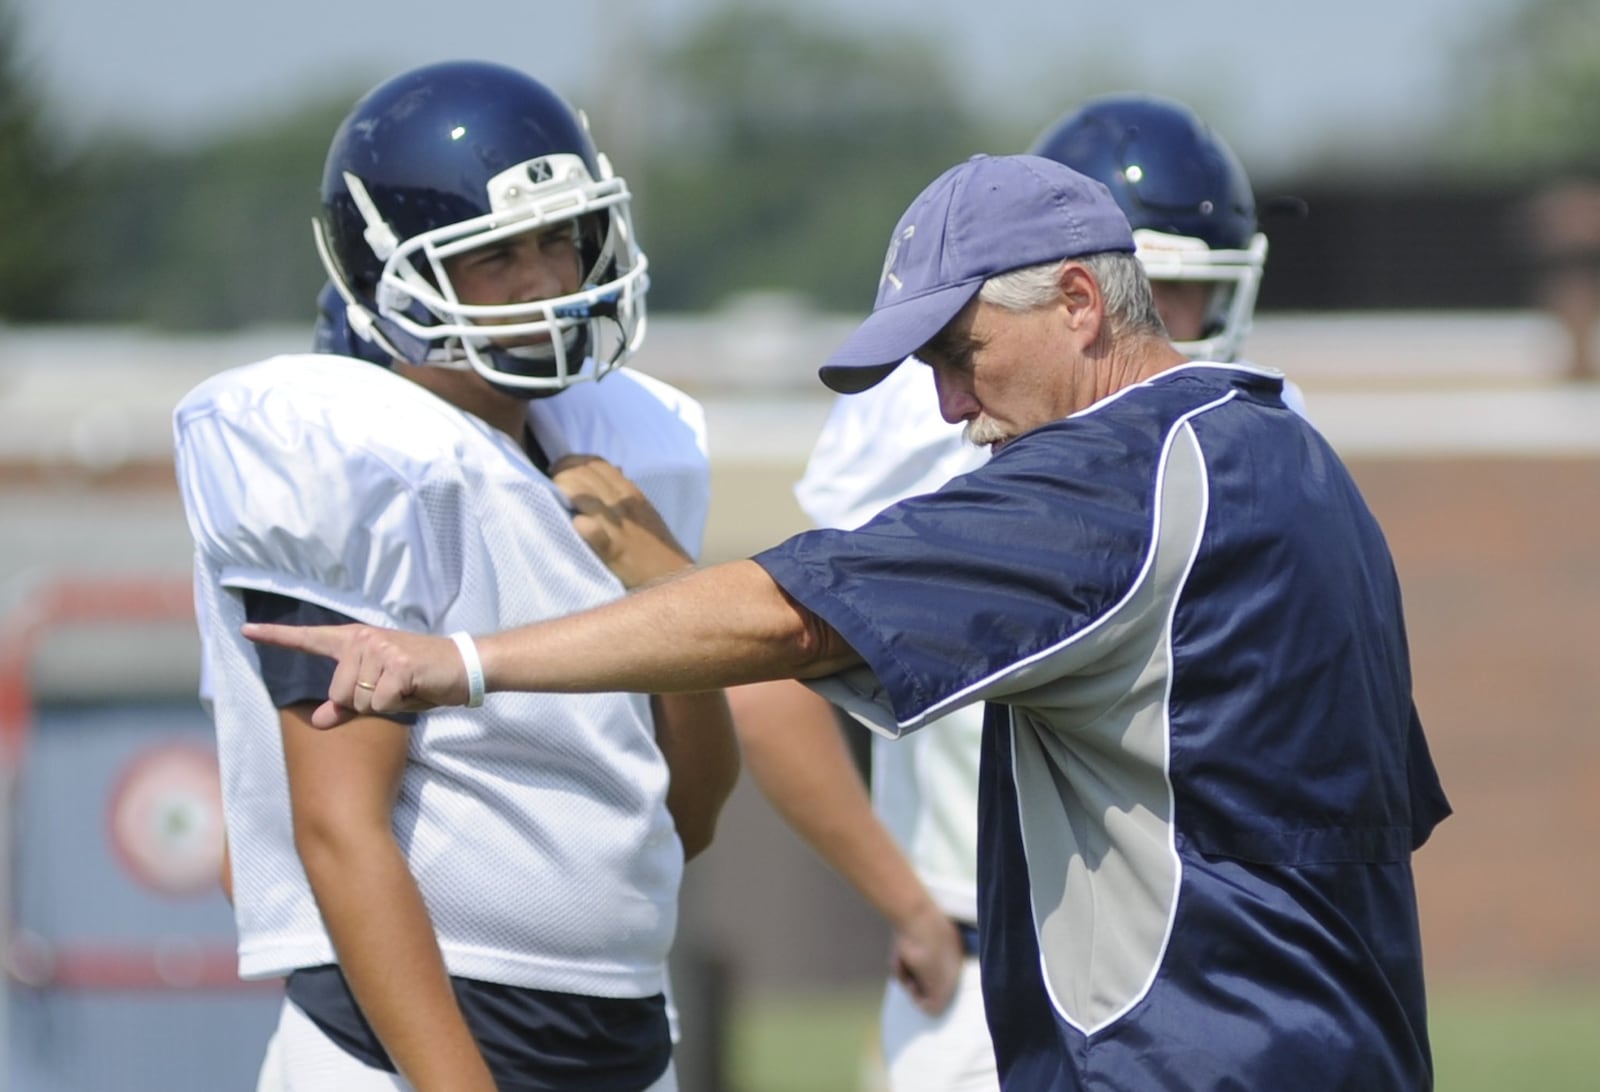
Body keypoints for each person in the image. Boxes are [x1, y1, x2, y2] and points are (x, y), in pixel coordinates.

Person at [248, 152, 1452, 1091]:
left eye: (959, 351)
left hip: (1182, 1060)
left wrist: (458, 661)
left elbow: (787, 622)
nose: (948, 405)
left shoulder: (1111, 477)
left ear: (1079, 300)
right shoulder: (1293, 452)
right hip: (1355, 1046)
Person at [174, 59, 739, 1091]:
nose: (543, 283)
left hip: (620, 1028)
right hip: (413, 1048)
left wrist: (667, 585)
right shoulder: (354, 450)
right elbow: (339, 830)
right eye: (495, 255)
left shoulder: (621, 462)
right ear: (391, 273)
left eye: (557, 240)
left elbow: (691, 816)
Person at [727, 92, 1303, 1092]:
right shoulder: (939, 405)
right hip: (987, 953)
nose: (1156, 327)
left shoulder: (1259, 427)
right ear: (1074, 293)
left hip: (1205, 958)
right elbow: (779, 663)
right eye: (1138, 289)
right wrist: (905, 903)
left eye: (1181, 296)